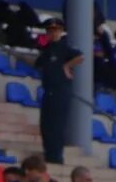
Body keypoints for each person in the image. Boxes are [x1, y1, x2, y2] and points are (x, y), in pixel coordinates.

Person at [33, 19, 81, 165]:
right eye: (50, 31)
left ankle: (55, 156)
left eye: (55, 30)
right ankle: (49, 152)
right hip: (48, 90)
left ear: (60, 31)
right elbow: (38, 63)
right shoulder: (48, 48)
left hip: (60, 90)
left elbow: (80, 56)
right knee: (46, 124)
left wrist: (66, 66)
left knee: (57, 124)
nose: (52, 33)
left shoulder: (64, 46)